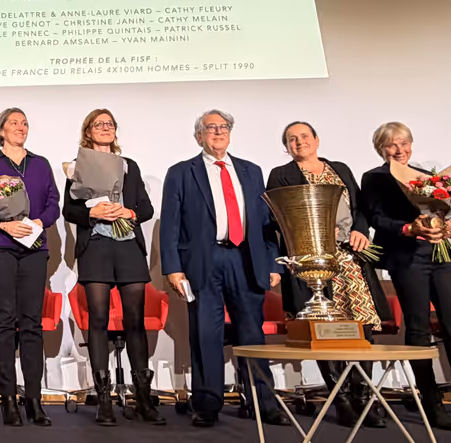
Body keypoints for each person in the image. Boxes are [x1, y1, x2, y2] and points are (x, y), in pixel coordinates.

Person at [359, 121, 451, 432]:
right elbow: (377, 218)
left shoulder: (426, 176)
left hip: (440, 257)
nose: (399, 149)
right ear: (381, 149)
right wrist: (409, 228)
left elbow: (449, 212)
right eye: (392, 145)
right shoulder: (374, 177)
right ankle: (430, 403)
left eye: (404, 143)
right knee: (418, 329)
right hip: (406, 258)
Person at [159, 110, 288, 428]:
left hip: (246, 259)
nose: (218, 132)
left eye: (223, 127)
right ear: (198, 136)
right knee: (206, 334)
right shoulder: (181, 172)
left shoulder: (251, 171)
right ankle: (207, 403)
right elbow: (170, 225)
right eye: (210, 128)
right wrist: (173, 268)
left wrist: (272, 262)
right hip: (203, 261)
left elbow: (265, 224)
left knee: (251, 335)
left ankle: (261, 401)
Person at [264, 121, 389, 429]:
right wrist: (312, 229)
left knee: (361, 329)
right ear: (286, 147)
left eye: (304, 136)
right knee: (324, 330)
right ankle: (342, 399)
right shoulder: (281, 174)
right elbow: (278, 216)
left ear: (317, 140)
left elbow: (360, 209)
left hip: (349, 260)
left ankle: (364, 398)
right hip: (312, 263)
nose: (298, 142)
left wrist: (361, 230)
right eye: (291, 139)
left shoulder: (341, 169)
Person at [61, 109, 163, 426]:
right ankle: (103, 400)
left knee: (135, 321)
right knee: (99, 322)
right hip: (96, 248)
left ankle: (143, 398)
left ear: (115, 131)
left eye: (109, 124)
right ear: (88, 131)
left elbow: (145, 209)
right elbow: (70, 210)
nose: (105, 128)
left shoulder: (129, 166)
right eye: (98, 124)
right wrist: (94, 214)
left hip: (128, 248)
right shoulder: (78, 167)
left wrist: (128, 212)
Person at [0, 108, 60, 427]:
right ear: (1, 130)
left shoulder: (40, 164)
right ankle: (8, 399)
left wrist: (39, 221)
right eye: (14, 123)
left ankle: (34, 400)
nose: (21, 127)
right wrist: (4, 225)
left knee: (32, 323)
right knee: (5, 321)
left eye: (24, 123)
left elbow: (53, 203)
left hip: (34, 248)